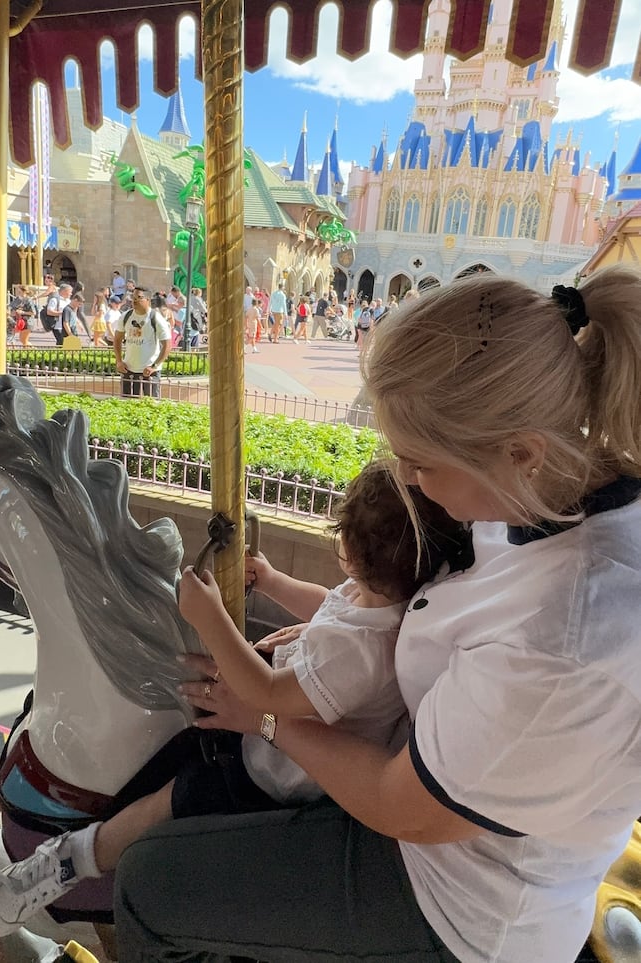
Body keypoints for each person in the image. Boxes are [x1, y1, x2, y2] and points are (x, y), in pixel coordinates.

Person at [102, 266, 641, 963]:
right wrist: (330, 627)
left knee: (150, 884)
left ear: (520, 453)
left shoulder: (565, 635)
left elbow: (399, 807)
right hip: (427, 780)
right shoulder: (541, 499)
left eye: (420, 463)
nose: (409, 480)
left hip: (459, 904)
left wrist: (265, 715)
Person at [0, 461, 465, 938]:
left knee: (172, 797)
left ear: (352, 552)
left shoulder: (363, 653)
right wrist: (272, 581)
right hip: (266, 727)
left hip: (273, 773)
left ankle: (71, 861)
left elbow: (267, 694)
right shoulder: (384, 600)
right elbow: (327, 604)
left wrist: (211, 618)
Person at [113, 285, 172, 398]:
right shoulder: (126, 316)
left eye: (139, 297)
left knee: (151, 406)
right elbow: (117, 339)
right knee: (127, 404)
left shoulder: (156, 319)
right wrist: (119, 361)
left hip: (149, 371)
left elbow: (167, 345)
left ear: (148, 300)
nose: (134, 301)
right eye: (133, 297)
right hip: (128, 370)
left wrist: (154, 366)